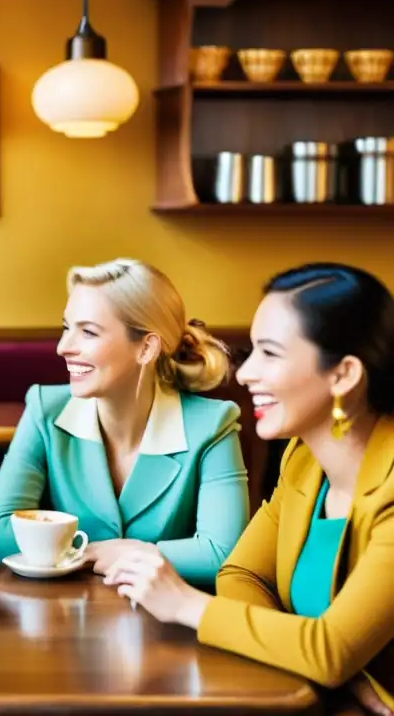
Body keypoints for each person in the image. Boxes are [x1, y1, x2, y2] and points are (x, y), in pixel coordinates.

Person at [103, 263, 394, 714]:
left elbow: (331, 650)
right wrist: (306, 652)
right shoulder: (303, 459)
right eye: (252, 350)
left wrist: (185, 605)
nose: (243, 374)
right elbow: (242, 575)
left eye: (270, 354)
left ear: (344, 375)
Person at [0, 258, 249, 586]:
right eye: (67, 328)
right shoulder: (44, 409)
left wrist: (118, 553)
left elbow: (223, 554)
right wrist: (99, 552)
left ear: (146, 348)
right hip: (66, 615)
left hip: (165, 619)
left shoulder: (212, 425)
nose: (63, 347)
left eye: (88, 332)